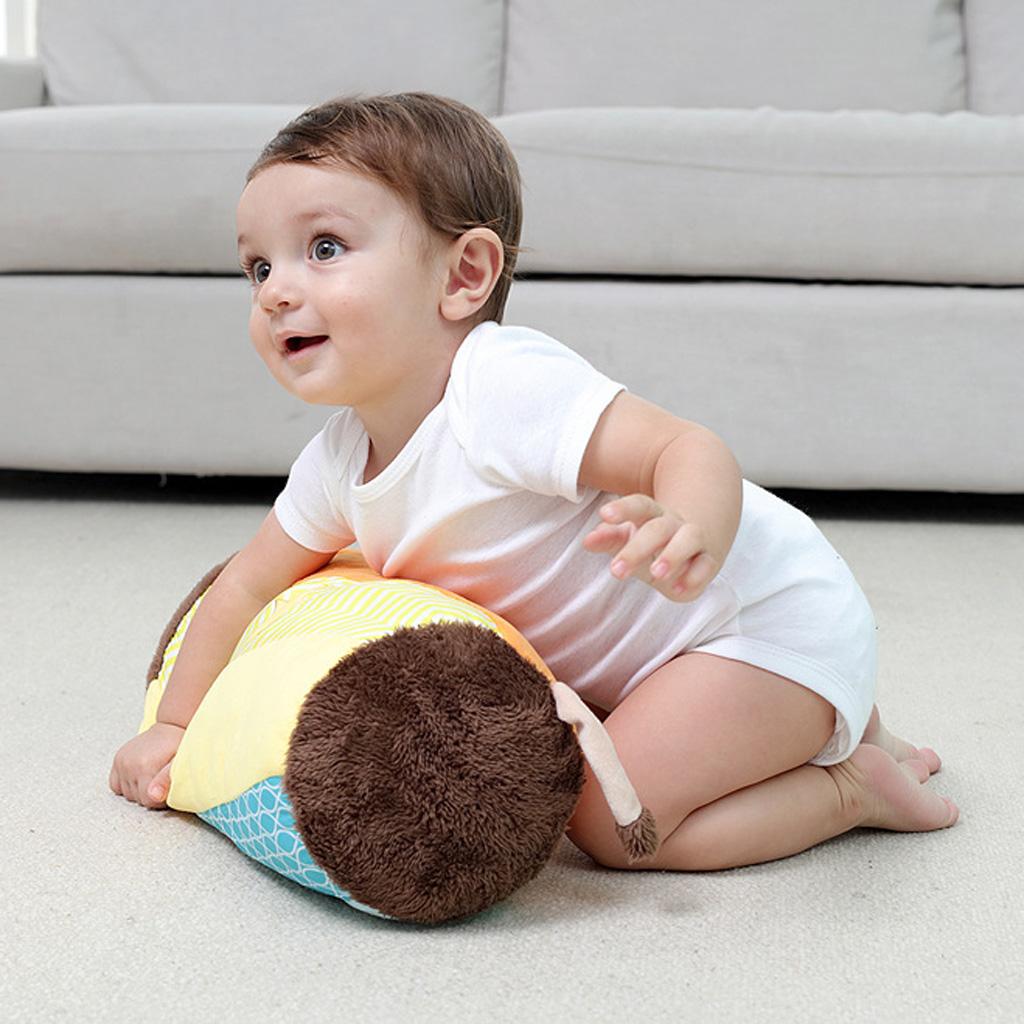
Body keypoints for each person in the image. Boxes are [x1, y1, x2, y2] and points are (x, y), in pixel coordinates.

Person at [110, 92, 958, 870]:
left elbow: (686, 446)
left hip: (756, 625)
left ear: (464, 276)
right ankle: (849, 736)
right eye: (258, 267)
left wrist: (691, 524)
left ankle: (850, 790)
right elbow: (244, 587)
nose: (274, 293)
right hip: (664, 660)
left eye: (323, 249)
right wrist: (176, 726)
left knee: (613, 829)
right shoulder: (335, 461)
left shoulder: (502, 387)